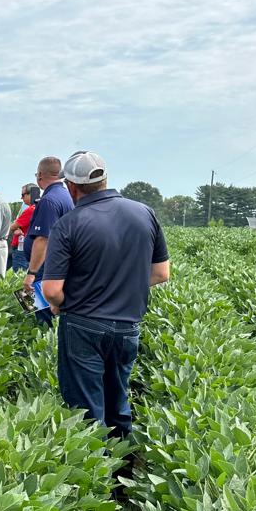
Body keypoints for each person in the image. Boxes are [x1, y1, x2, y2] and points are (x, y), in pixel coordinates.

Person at [41, 151, 170, 439]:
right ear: (105, 180)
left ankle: (95, 477)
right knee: (118, 400)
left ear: (72, 187)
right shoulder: (144, 213)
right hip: (128, 325)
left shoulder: (69, 223)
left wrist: (62, 303)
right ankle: (121, 475)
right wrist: (123, 285)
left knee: (87, 410)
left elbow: (51, 290)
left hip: (84, 325)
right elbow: (161, 273)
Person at [23, 156, 74, 326]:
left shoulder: (48, 200)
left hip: (46, 266)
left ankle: (43, 341)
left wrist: (31, 273)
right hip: (58, 263)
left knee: (43, 314)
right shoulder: (65, 195)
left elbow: (43, 239)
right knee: (50, 310)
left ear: (39, 176)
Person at [8, 183, 40, 272]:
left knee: (18, 277)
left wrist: (16, 226)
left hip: (21, 249)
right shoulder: (38, 207)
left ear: (31, 194)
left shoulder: (30, 210)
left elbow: (12, 227)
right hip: (28, 247)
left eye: (23, 195)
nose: (21, 198)